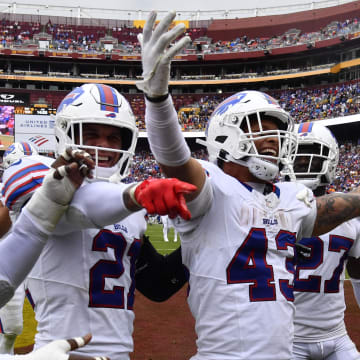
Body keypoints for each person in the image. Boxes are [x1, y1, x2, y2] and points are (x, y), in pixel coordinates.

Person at [136, 11, 360, 359]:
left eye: (277, 130)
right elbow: (174, 159)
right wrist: (158, 99)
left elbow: (341, 205)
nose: (273, 139)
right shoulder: (212, 190)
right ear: (228, 135)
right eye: (260, 128)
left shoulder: (289, 196)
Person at [5, 83, 195, 360]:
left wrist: (198, 238)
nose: (103, 146)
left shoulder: (132, 208)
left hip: (119, 354)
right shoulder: (42, 180)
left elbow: (158, 284)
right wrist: (133, 195)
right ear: (66, 135)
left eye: (113, 138)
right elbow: (76, 207)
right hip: (58, 351)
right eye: (91, 134)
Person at [282, 122, 360, 360]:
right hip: (287, 339)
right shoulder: (269, 205)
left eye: (313, 155)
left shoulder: (351, 215)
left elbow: (357, 273)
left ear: (331, 161)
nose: (304, 162)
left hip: (336, 335)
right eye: (297, 156)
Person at [0, 142, 39, 354]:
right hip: (8, 261)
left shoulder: (46, 190)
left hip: (38, 261)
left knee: (51, 318)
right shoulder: (3, 191)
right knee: (11, 327)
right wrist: (10, 201)